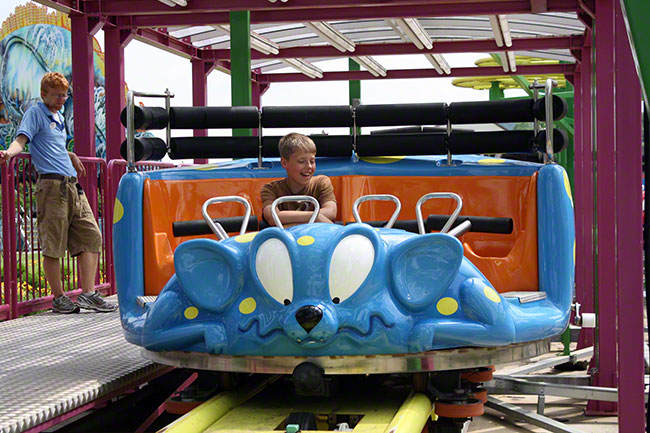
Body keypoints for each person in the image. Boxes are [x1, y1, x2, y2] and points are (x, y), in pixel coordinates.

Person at [0, 72, 117, 314]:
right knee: (53, 244)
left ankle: (88, 293)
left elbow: (54, 145)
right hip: (52, 187)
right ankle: (59, 298)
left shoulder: (59, 115)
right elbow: (21, 140)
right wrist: (9, 154)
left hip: (72, 185)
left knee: (92, 235)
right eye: (57, 95)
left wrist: (70, 154)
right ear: (44, 94)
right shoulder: (35, 113)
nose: (62, 99)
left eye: (65, 95)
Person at [261, 132, 337, 227]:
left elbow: (331, 212)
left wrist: (289, 224)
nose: (309, 166)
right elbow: (273, 217)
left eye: (312, 161)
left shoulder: (321, 182)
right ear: (284, 163)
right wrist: (314, 217)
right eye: (301, 161)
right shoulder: (270, 189)